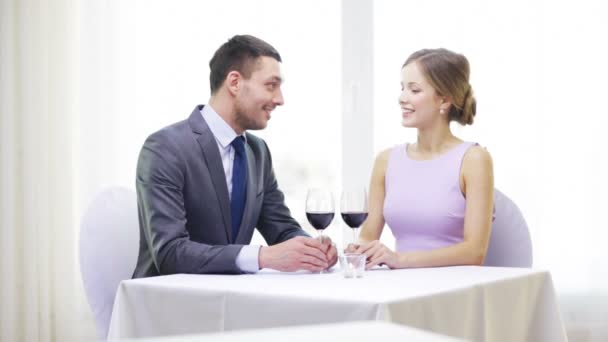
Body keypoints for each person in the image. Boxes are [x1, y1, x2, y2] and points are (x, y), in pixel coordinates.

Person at [133, 35, 337, 277]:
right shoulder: (165, 148)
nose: (280, 100)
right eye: (271, 85)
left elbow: (281, 228)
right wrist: (261, 256)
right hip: (171, 302)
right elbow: (170, 253)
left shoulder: (257, 151)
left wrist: (311, 249)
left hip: (233, 298)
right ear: (234, 82)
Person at [348, 48, 494, 269]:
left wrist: (399, 260)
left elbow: (475, 252)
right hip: (402, 287)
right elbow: (368, 237)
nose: (402, 98)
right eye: (402, 88)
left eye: (414, 90)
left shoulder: (474, 159)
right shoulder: (386, 161)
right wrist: (356, 250)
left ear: (444, 100)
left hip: (454, 289)